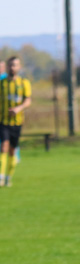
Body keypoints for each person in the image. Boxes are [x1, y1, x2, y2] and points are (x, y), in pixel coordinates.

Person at [0, 56, 31, 188]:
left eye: (15, 65)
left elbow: (28, 100)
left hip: (17, 122)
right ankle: (1, 177)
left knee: (12, 151)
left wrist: (19, 108)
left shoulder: (24, 83)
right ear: (7, 67)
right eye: (11, 65)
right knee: (4, 146)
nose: (13, 67)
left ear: (19, 67)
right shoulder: (2, 84)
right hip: (3, 121)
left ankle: (8, 177)